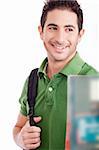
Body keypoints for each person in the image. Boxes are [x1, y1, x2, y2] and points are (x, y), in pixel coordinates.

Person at [13, 0, 99, 150]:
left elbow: (87, 146)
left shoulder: (91, 82)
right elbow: (19, 126)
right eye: (53, 28)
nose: (60, 38)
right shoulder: (33, 79)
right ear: (41, 31)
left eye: (69, 29)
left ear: (80, 35)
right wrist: (20, 138)